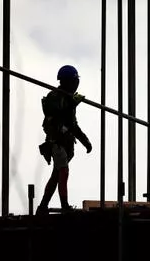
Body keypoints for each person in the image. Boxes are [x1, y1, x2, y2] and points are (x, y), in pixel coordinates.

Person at [36, 65, 92, 215]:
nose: (76, 85)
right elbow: (58, 115)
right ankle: (64, 206)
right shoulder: (54, 97)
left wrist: (85, 141)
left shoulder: (68, 99)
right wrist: (72, 103)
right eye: (74, 82)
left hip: (65, 143)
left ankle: (42, 206)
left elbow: (72, 124)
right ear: (67, 82)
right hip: (56, 142)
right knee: (63, 171)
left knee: (56, 175)